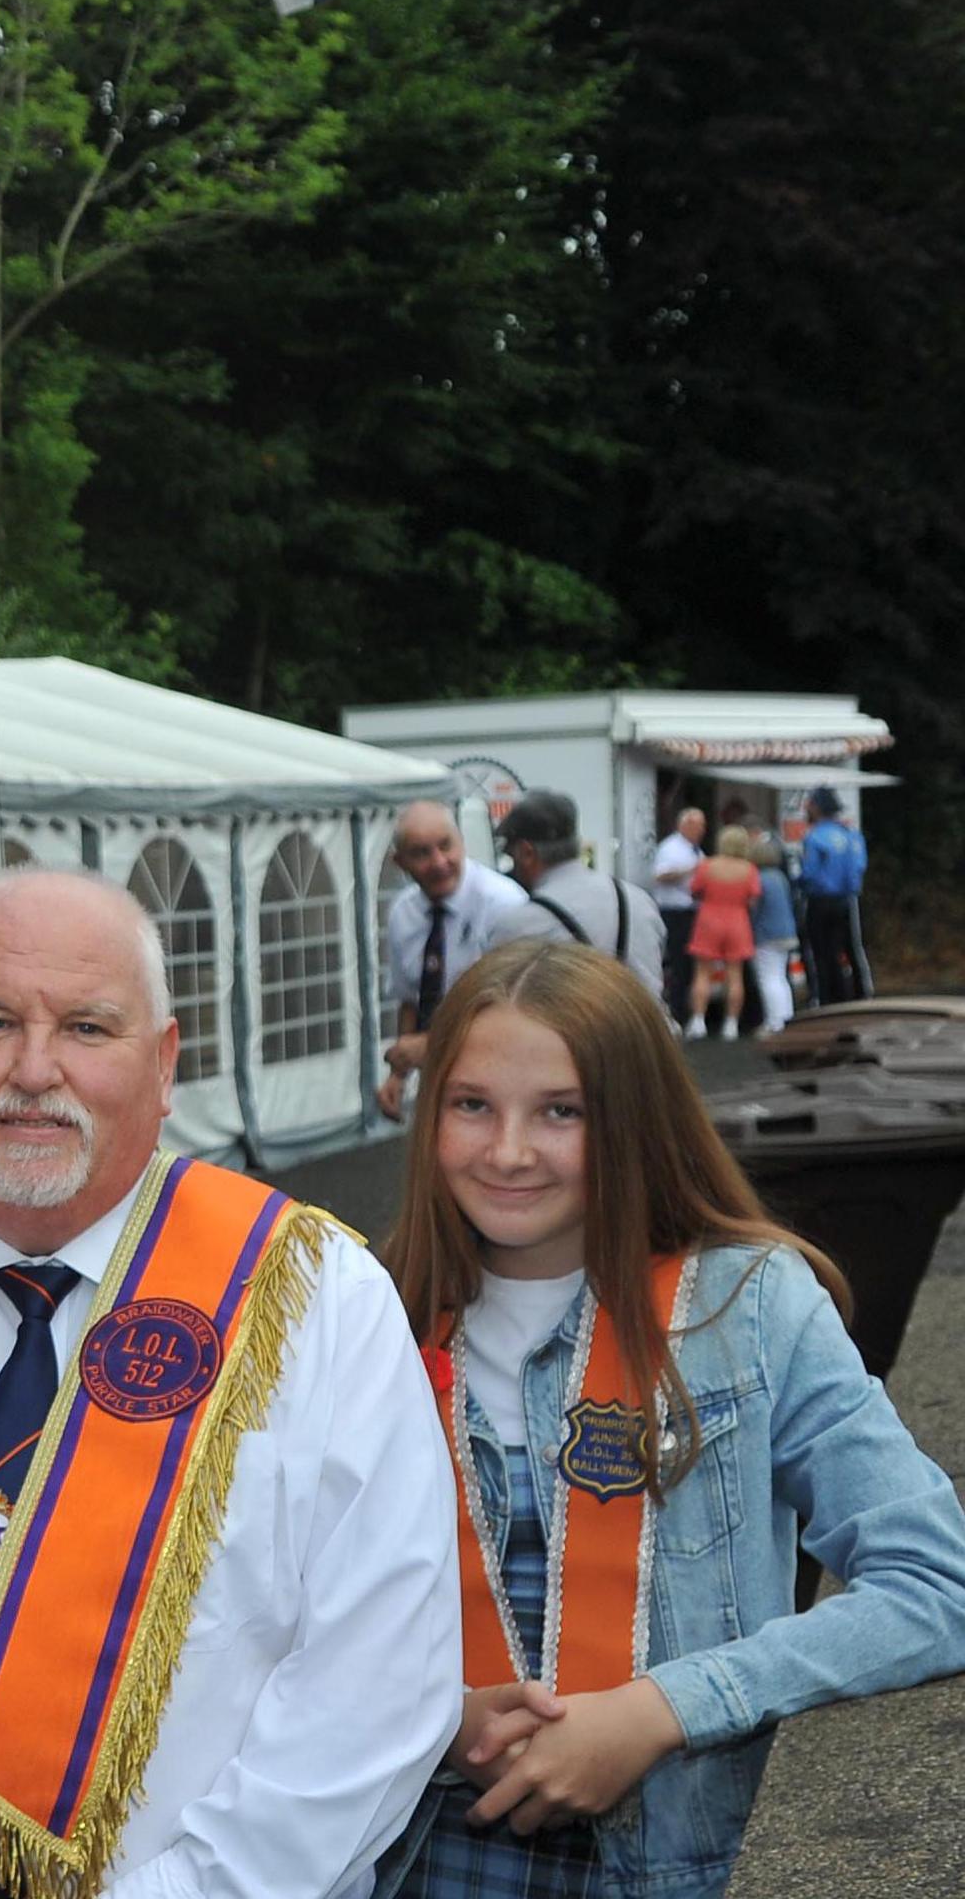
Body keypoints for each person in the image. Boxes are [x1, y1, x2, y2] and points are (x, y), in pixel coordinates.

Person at [0, 867, 460, 1899]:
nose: (37, 1069)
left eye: (87, 1028)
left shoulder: (315, 1301)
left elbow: (379, 1689)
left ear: (163, 1064)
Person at [373, 938, 965, 1896]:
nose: (509, 1150)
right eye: (471, 1105)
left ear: (632, 1120)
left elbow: (938, 1584)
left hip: (674, 1868)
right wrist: (432, 1720)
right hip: (417, 1864)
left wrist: (662, 1711)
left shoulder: (752, 1306)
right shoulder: (358, 1320)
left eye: (561, 1111)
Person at [378, 801, 530, 1123]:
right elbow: (410, 999)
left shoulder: (505, 905)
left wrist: (432, 1045)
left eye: (445, 846)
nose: (439, 862)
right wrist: (399, 1075)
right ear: (399, 862)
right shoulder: (403, 913)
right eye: (421, 853)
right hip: (440, 1080)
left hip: (503, 1077)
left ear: (462, 842)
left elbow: (521, 1011)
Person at [485, 793, 665, 996]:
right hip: (648, 1026)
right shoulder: (638, 900)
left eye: (511, 854)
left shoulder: (519, 924)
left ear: (527, 853)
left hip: (575, 1028)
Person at [681, 828, 763, 1041]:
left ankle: (698, 1021)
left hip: (709, 919)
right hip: (737, 921)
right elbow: (753, 899)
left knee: (702, 974)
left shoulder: (707, 865)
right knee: (735, 975)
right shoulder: (750, 869)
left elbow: (695, 890)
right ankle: (731, 1025)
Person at [798, 787, 872, 1005]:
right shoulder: (850, 835)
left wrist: (800, 883)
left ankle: (828, 997)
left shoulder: (814, 837)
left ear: (817, 807)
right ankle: (861, 994)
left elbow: (809, 873)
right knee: (852, 947)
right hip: (847, 899)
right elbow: (859, 866)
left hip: (820, 900)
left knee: (822, 951)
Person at [648, 809, 707, 1022]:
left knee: (691, 965)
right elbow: (660, 875)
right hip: (675, 912)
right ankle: (677, 1012)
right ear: (684, 825)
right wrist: (691, 870)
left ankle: (689, 1010)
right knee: (679, 964)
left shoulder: (695, 849)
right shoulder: (670, 848)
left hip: (693, 910)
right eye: (698, 825)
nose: (702, 830)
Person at [748, 834, 801, 1035]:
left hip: (766, 935)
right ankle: (786, 1017)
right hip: (786, 932)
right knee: (780, 978)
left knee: (768, 978)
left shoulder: (759, 879)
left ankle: (774, 1022)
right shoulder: (780, 877)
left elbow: (755, 909)